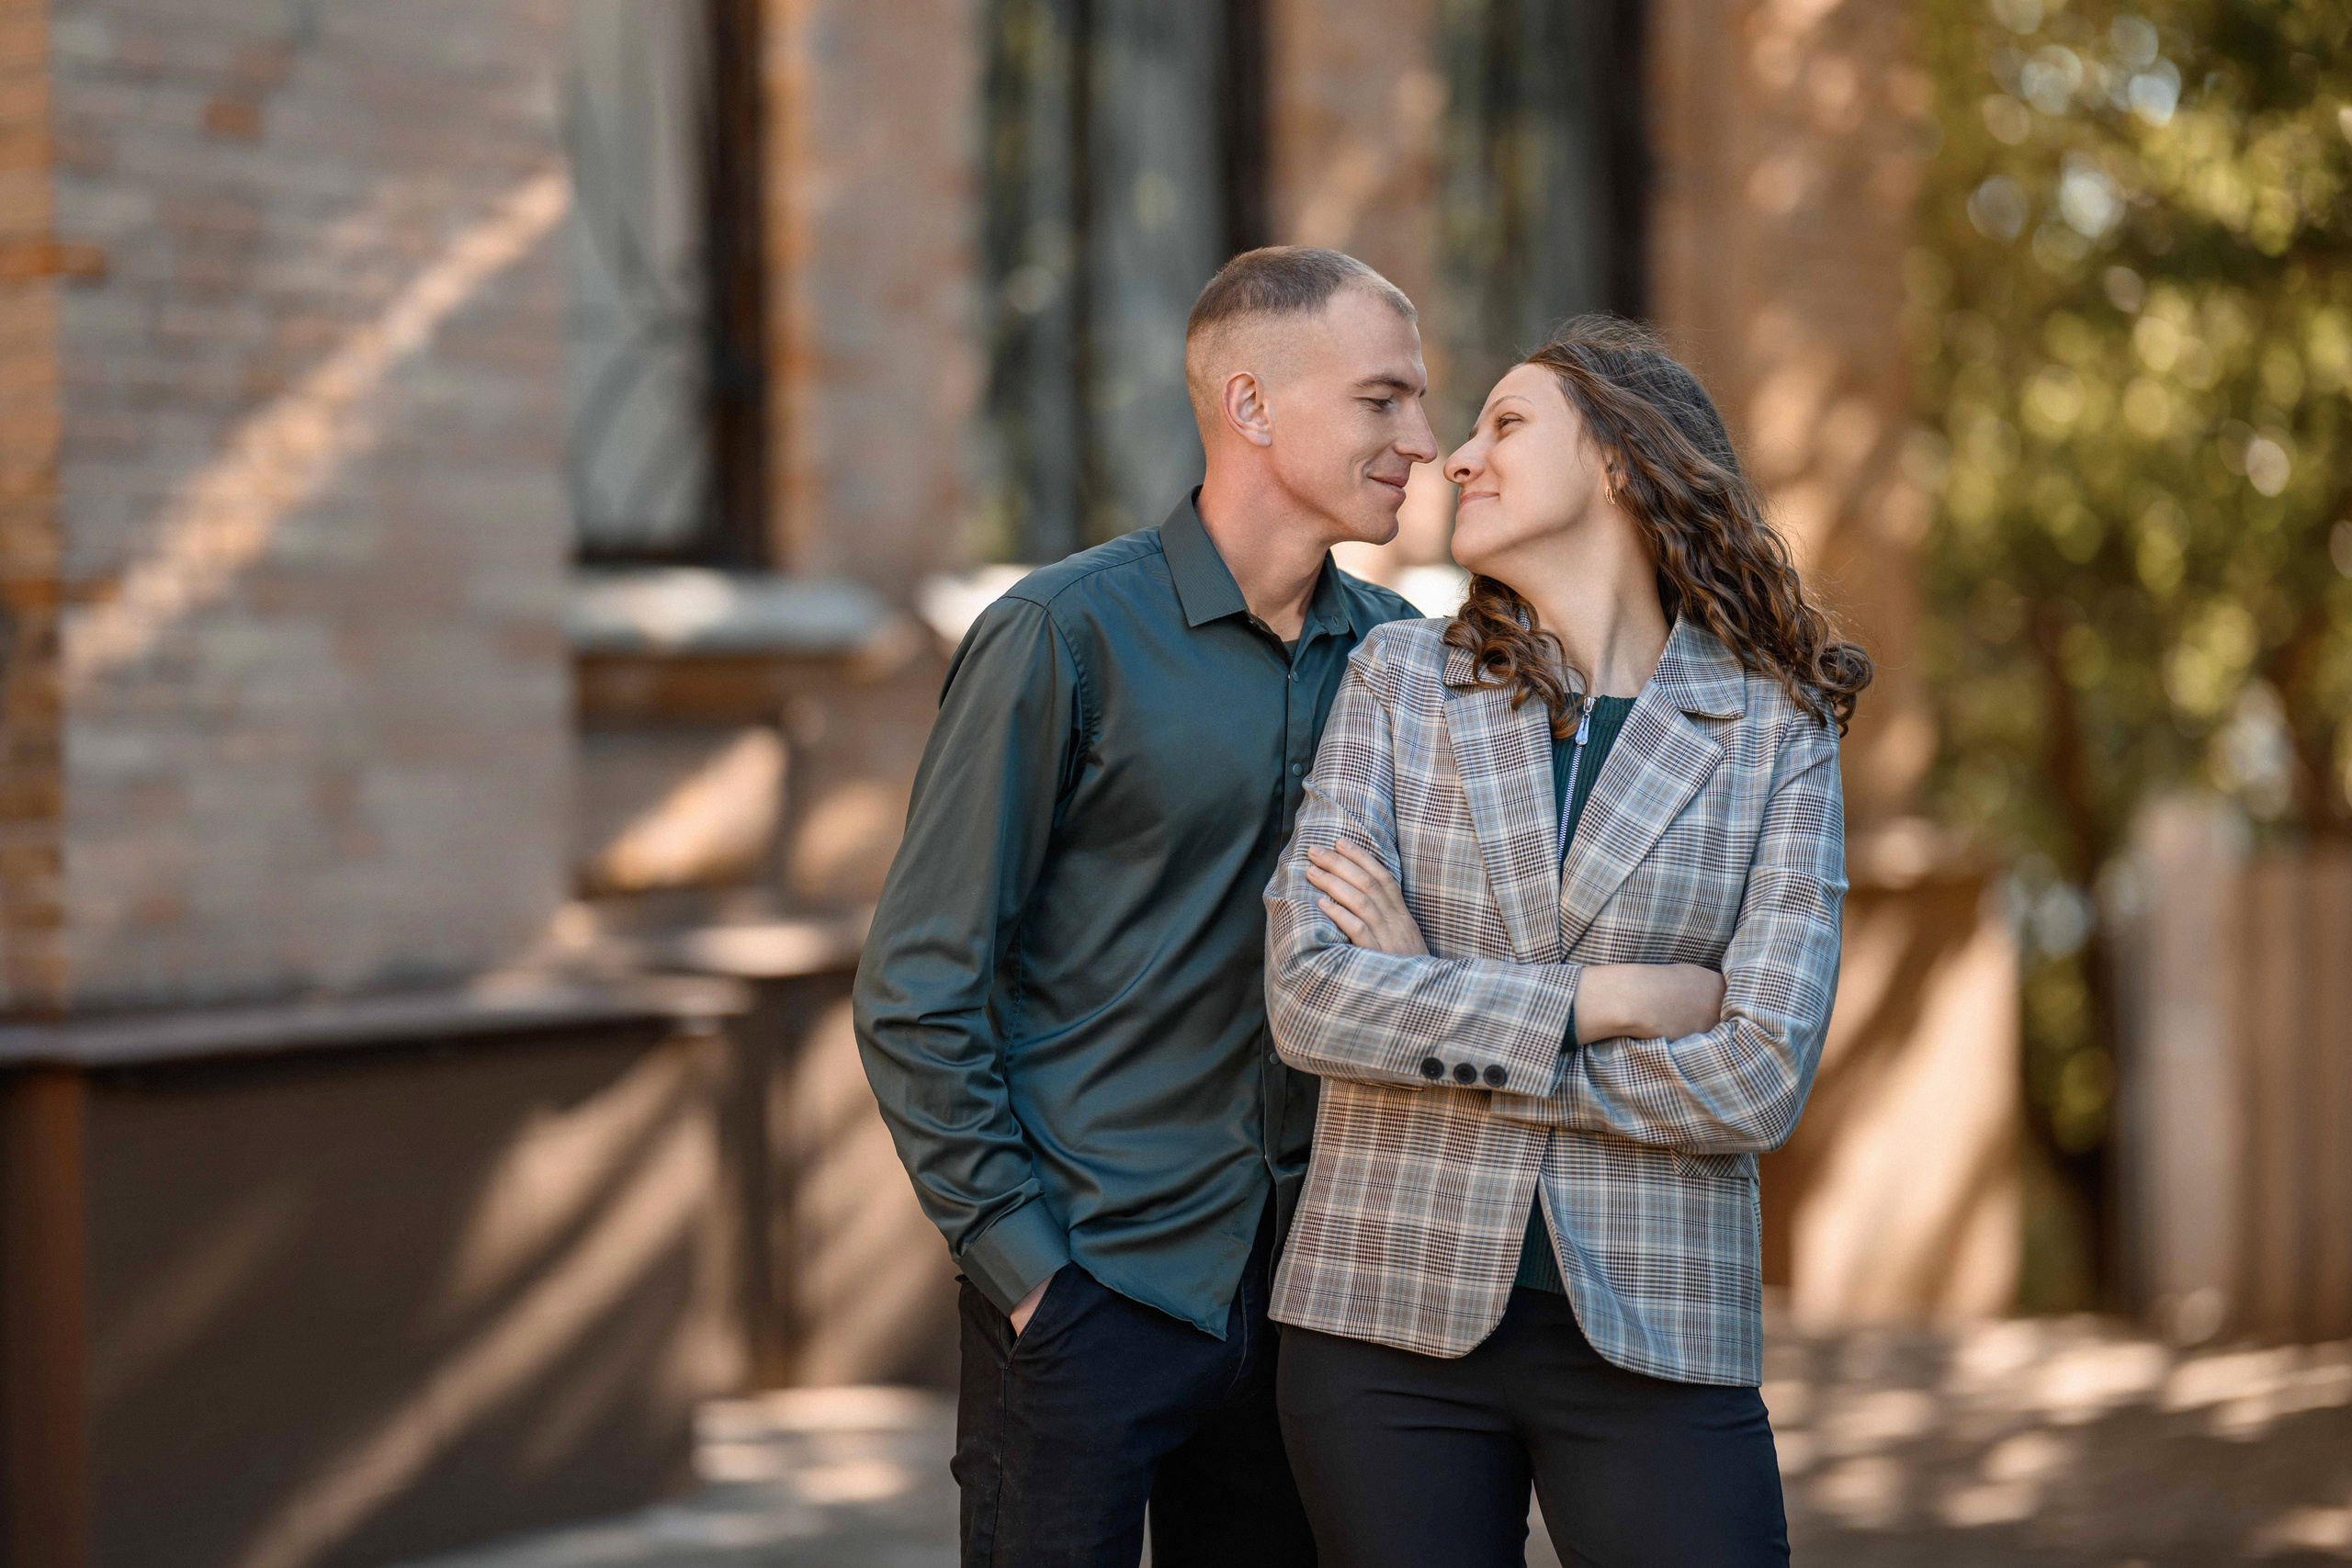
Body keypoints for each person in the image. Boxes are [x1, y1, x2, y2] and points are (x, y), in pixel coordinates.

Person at [853, 245, 1439, 1568]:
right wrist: (1028, 1276)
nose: (1426, 441)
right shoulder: (1061, 637)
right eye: (1384, 401)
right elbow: (917, 988)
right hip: (1092, 1295)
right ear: (1250, 406)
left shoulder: (1403, 660)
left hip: (1309, 1302)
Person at [1262, 316, 1871, 1567]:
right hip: (1381, 1319)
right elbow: (1314, 999)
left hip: (1661, 1324)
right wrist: (1609, 998)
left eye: (1505, 424)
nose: (1456, 458)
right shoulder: (1396, 681)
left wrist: (1430, 1002)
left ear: (1617, 462)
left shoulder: (1774, 726)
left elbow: (1758, 1076)